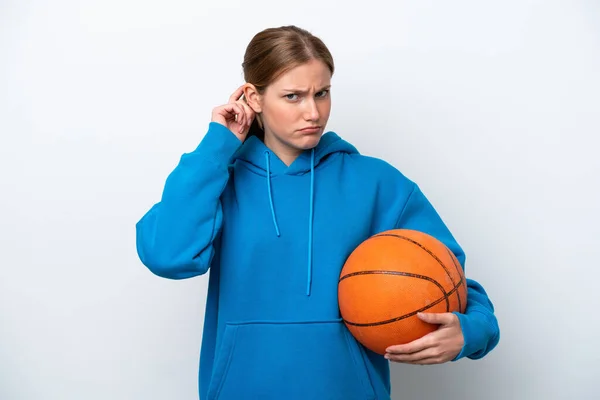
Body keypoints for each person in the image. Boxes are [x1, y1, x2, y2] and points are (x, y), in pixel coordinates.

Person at [135, 25, 500, 400]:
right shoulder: (217, 179)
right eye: (293, 96)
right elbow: (167, 255)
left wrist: (471, 330)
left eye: (322, 93)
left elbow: (451, 279)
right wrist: (216, 145)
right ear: (253, 97)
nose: (313, 112)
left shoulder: (375, 182)